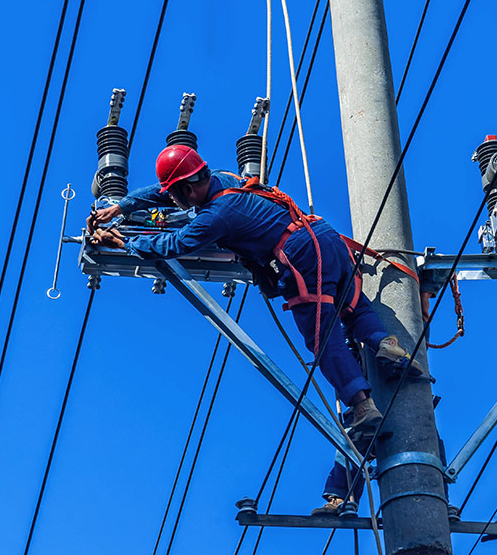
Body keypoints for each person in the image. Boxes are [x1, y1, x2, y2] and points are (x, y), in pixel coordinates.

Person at [88, 144, 422, 437]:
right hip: (326, 237)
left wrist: (125, 243)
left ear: (187, 190)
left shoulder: (215, 217)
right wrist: (123, 206)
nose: (174, 202)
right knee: (353, 307)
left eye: (176, 195)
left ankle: (362, 407)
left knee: (323, 336)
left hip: (301, 254)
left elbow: (174, 243)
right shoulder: (224, 178)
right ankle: (386, 345)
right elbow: (166, 192)